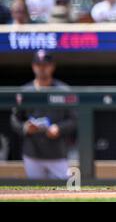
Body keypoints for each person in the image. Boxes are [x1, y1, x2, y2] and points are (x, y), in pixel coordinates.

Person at [10, 50, 77, 180]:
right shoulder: (24, 91)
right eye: (38, 65)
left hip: (57, 152)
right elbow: (14, 119)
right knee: (35, 194)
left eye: (45, 65)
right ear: (33, 66)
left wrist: (59, 128)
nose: (42, 68)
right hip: (32, 153)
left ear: (52, 66)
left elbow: (74, 119)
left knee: (62, 194)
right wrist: (25, 127)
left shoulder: (64, 90)